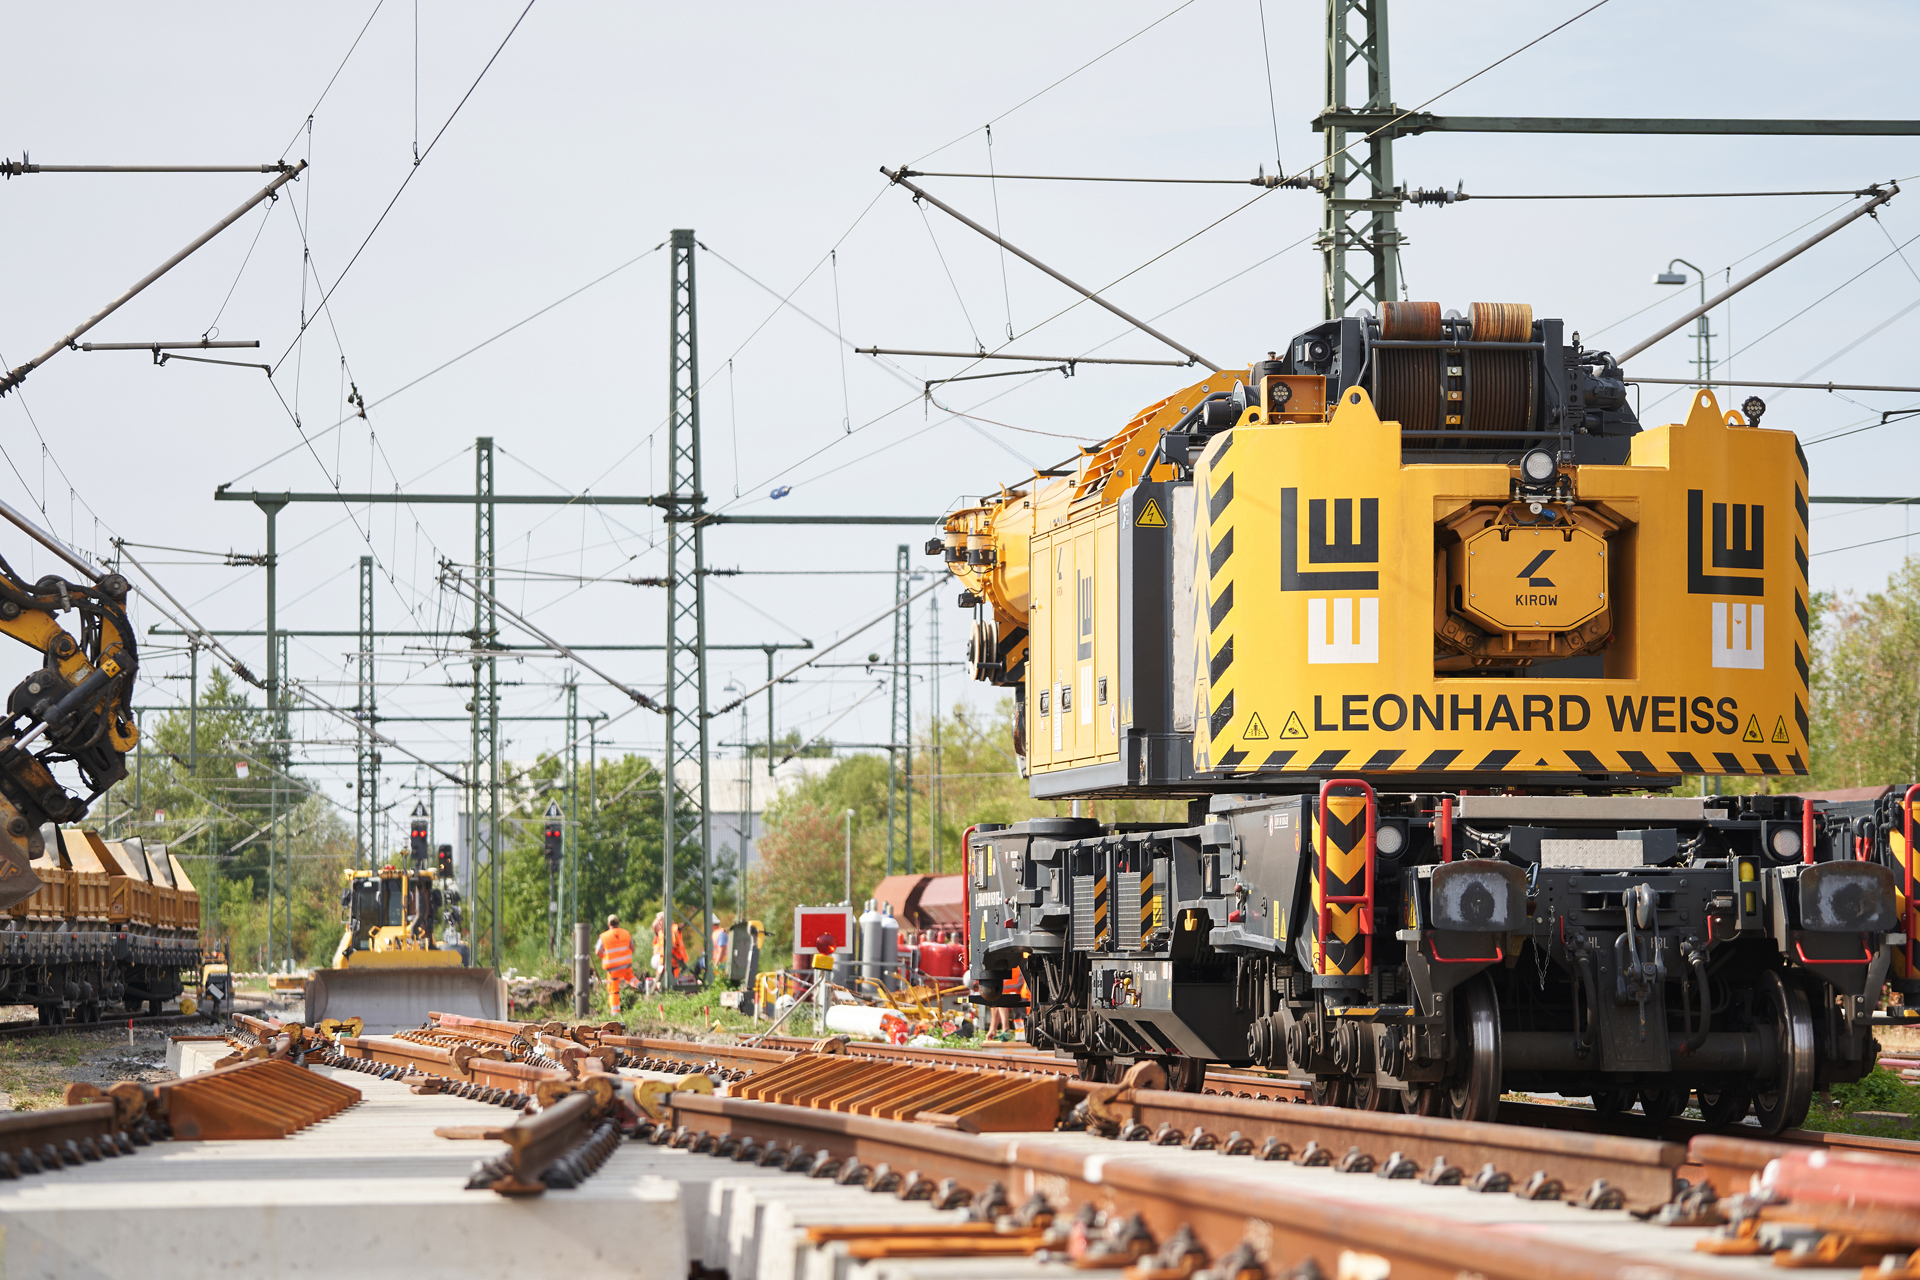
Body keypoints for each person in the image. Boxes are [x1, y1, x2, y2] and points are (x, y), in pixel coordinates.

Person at [594, 914, 636, 1014]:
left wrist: (605, 958)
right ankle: (643, 987)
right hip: (626, 967)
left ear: (608, 924)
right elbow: (632, 948)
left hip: (613, 969)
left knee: (613, 991)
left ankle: (615, 1013)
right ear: (618, 923)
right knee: (631, 979)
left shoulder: (604, 936)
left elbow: (597, 952)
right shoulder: (626, 933)